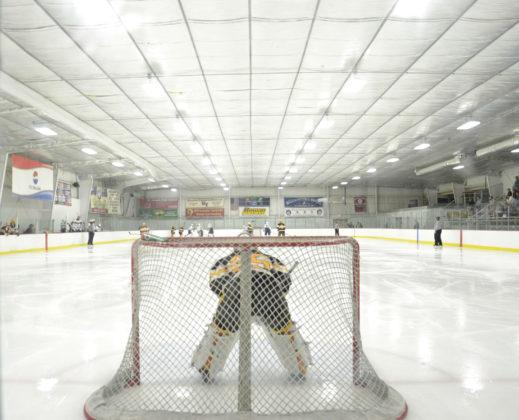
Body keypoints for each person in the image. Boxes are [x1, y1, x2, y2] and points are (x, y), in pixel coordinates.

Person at [191, 249, 310, 384]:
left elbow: (216, 282)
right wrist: (277, 294)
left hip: (237, 290)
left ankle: (207, 367)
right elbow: (284, 280)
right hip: (269, 289)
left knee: (222, 331)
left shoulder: (224, 261)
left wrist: (226, 296)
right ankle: (299, 367)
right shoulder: (270, 258)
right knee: (284, 330)